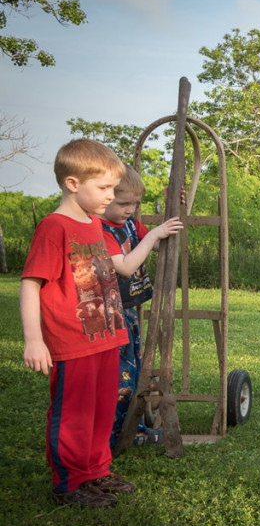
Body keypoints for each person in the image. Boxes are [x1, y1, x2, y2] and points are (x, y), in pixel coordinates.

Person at [20, 138, 135, 507]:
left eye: (113, 188)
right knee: (74, 414)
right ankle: (70, 482)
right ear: (73, 184)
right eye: (103, 188)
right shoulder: (55, 227)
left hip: (107, 335)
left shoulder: (95, 224)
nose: (110, 196)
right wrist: (33, 340)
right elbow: (30, 283)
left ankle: (97, 470)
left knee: (102, 409)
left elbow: (134, 224)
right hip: (73, 342)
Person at [100, 165, 183, 448]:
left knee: (132, 372)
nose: (130, 209)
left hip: (129, 313)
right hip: (110, 315)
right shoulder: (101, 229)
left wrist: (174, 211)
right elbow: (125, 267)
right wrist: (153, 234)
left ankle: (128, 429)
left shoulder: (131, 225)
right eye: (123, 203)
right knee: (119, 376)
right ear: (104, 196)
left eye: (135, 203)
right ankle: (112, 436)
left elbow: (162, 244)